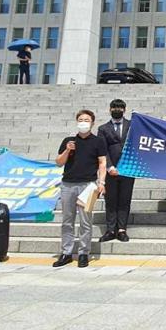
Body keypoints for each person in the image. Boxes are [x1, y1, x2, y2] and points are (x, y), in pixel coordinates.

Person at [53, 110, 107, 268]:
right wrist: (67, 150)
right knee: (67, 220)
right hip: (68, 184)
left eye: (87, 120)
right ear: (77, 122)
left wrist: (101, 182)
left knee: (86, 220)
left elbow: (102, 162)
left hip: (89, 185)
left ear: (92, 123)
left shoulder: (98, 141)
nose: (83, 122)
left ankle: (84, 253)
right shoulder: (68, 140)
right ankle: (66, 253)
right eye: (81, 120)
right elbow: (59, 162)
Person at [97, 99, 133, 243]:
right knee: (110, 200)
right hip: (110, 170)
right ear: (110, 109)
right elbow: (102, 150)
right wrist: (110, 166)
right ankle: (110, 229)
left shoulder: (132, 125)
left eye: (119, 107)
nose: (116, 109)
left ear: (124, 110)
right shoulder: (103, 128)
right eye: (114, 107)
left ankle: (122, 229)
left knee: (125, 200)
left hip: (128, 170)